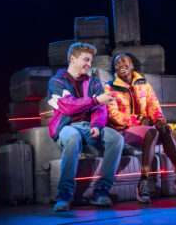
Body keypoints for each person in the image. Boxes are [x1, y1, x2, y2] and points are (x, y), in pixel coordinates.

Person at [104, 53, 176, 203]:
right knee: (152, 131)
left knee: (166, 130)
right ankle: (143, 181)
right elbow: (114, 115)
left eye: (124, 62)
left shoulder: (143, 83)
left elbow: (153, 104)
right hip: (124, 129)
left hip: (146, 127)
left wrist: (159, 120)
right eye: (116, 64)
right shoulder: (110, 86)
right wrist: (139, 119)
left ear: (132, 64)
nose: (121, 65)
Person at [47, 42, 124, 211]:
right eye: (86, 60)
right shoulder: (56, 82)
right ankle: (65, 195)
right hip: (66, 126)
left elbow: (100, 109)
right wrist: (96, 99)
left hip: (88, 126)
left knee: (116, 138)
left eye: (91, 61)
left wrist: (97, 124)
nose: (89, 64)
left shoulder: (94, 83)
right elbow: (68, 106)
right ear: (72, 59)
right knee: (73, 137)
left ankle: (101, 191)